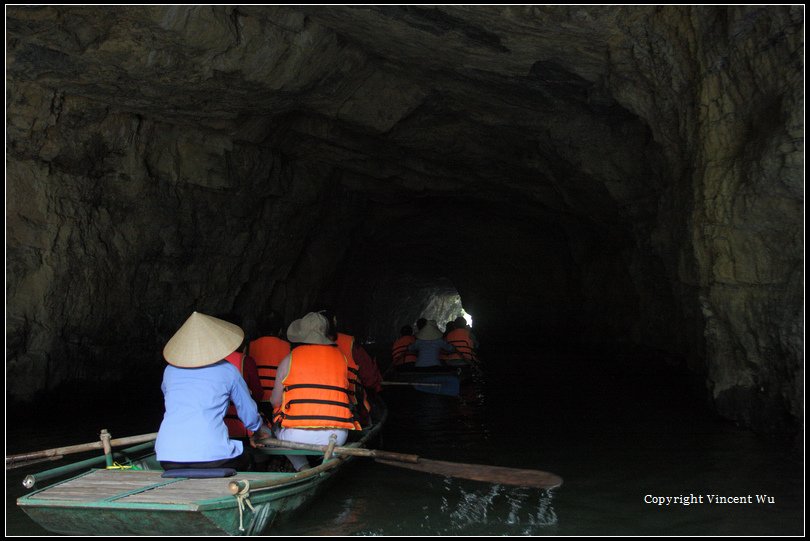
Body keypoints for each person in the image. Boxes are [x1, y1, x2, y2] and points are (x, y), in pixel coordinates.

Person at [155, 311, 272, 471]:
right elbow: (249, 415)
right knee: (247, 458)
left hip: (167, 455)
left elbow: (169, 398)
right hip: (214, 455)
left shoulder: (170, 370)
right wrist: (257, 430)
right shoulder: (228, 370)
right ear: (217, 344)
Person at [270, 312, 361, 471]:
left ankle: (302, 466)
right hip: (336, 437)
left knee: (275, 420)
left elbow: (274, 401)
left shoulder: (289, 359)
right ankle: (326, 463)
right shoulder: (341, 358)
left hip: (296, 437)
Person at [249, 311, 291, 419]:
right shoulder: (288, 348)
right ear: (281, 330)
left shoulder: (250, 346)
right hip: (279, 401)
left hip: (255, 399)